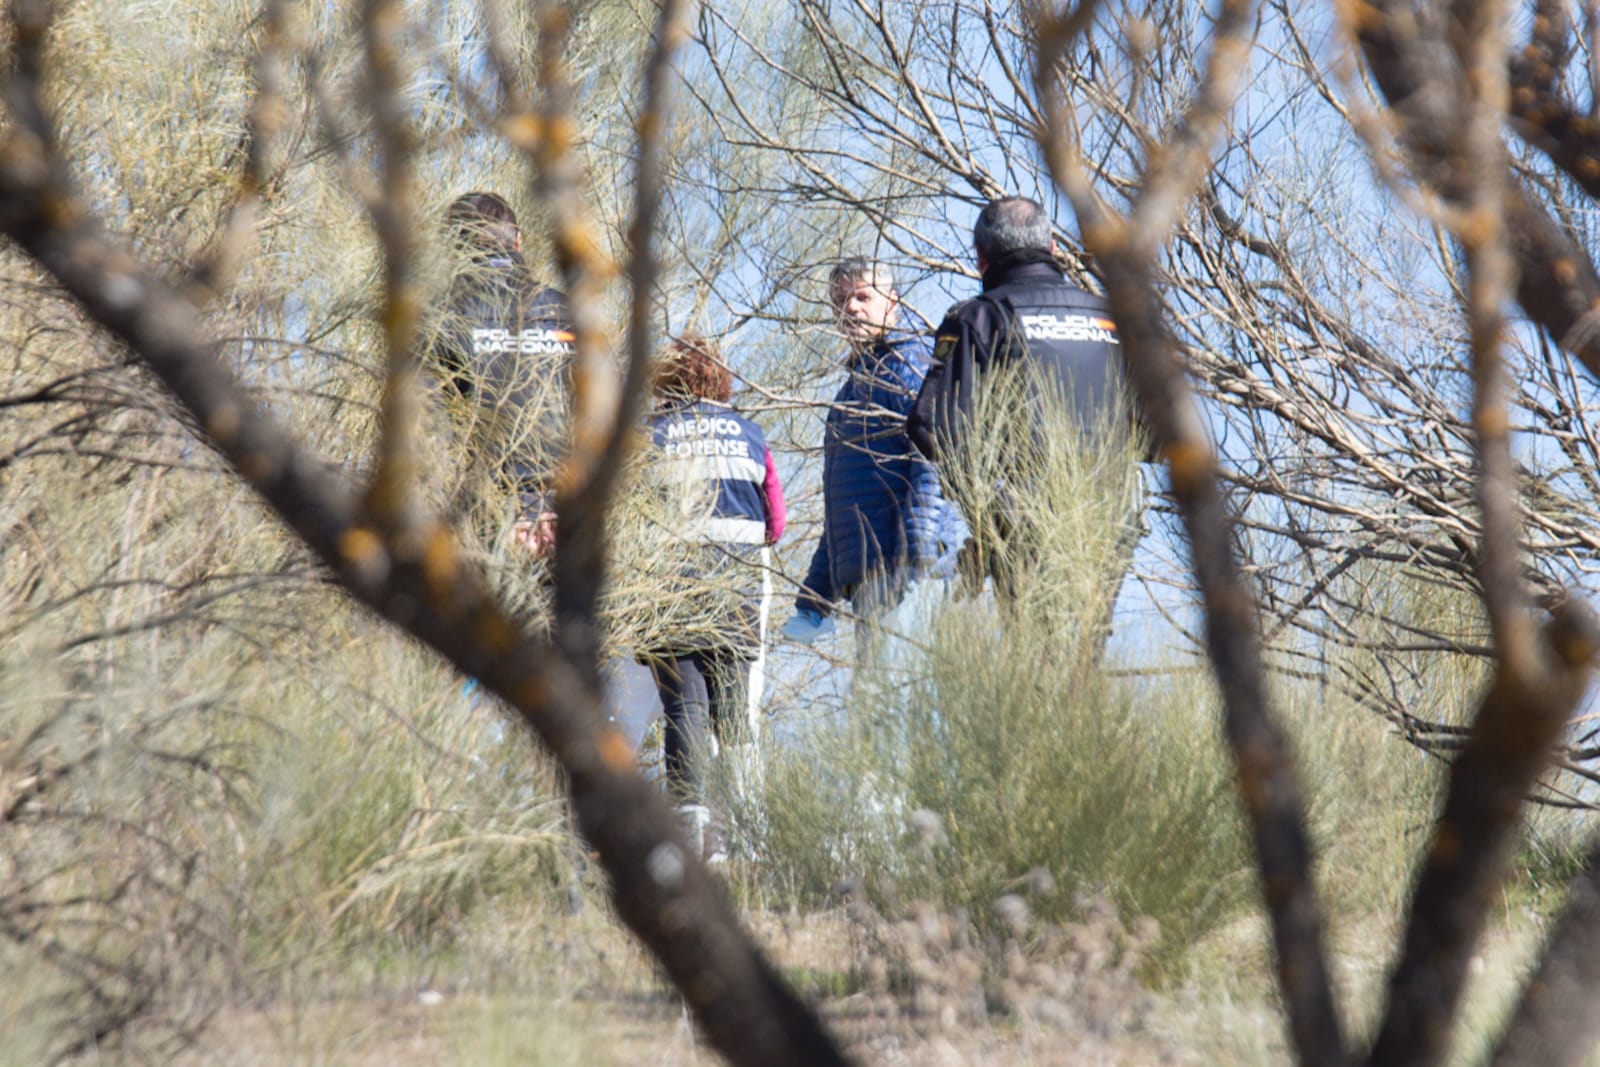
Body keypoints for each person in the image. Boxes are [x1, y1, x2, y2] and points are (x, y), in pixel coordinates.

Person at [907, 195, 1145, 655]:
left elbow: (931, 426)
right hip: (1109, 518)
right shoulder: (1112, 318)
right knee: (1083, 657)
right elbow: (1152, 432)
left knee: (1037, 662)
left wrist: (983, 509)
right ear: (1053, 248)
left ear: (980, 259)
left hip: (1021, 518)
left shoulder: (980, 318)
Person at [635, 334, 785, 861]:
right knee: (734, 716)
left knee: (686, 710)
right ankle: (745, 834)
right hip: (736, 599)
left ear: (666, 380)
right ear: (720, 377)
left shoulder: (649, 436)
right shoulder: (752, 436)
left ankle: (691, 841)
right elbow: (776, 525)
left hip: (671, 598)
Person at [782, 257, 964, 650]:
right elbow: (843, 510)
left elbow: (932, 459)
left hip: (909, 576)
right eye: (841, 300)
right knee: (880, 705)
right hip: (873, 580)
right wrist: (814, 599)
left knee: (906, 702)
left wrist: (918, 558)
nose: (851, 308)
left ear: (892, 303)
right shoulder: (851, 392)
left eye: (863, 296)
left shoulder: (910, 366)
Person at [434, 191, 574, 557]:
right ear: (517, 241)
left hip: (484, 518)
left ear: (453, 249)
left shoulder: (440, 318)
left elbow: (426, 433)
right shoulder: (568, 312)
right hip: (565, 520)